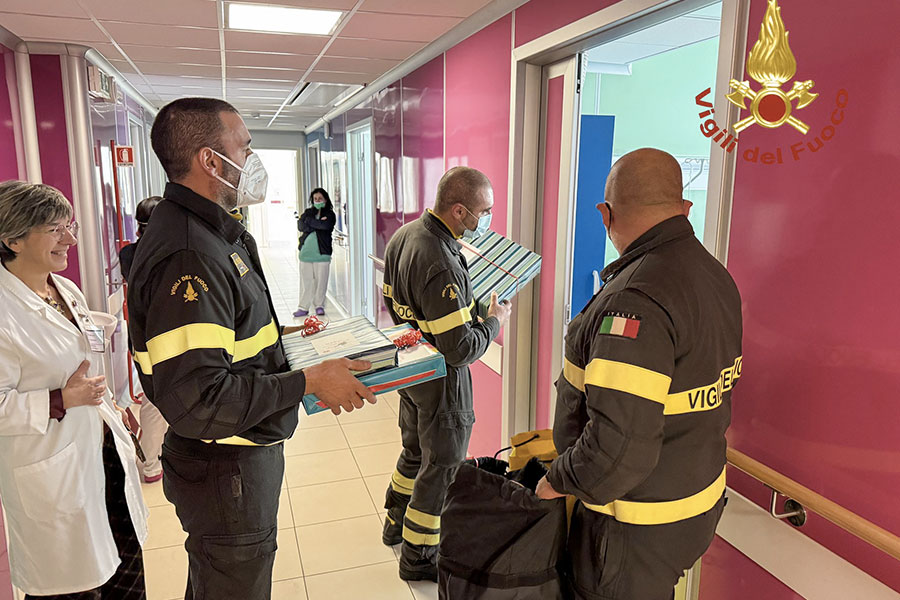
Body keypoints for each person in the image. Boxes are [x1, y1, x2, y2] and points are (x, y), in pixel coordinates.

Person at [127, 97, 376, 600]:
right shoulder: (189, 254)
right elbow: (202, 400)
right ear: (211, 162)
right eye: (244, 147)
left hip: (234, 461)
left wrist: (287, 342)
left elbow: (226, 340)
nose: (252, 159)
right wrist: (309, 380)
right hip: (227, 471)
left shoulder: (212, 233)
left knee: (218, 582)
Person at [535, 148, 743, 599]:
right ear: (685, 208)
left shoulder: (635, 301)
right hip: (692, 505)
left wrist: (556, 481)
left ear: (605, 214)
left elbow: (618, 448)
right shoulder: (714, 276)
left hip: (633, 525)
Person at [0, 180, 149, 599]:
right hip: (51, 470)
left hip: (103, 457)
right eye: (54, 229)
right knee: (73, 588)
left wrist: (112, 407)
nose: (70, 239)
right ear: (12, 238)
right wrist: (60, 400)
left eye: (71, 226)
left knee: (125, 577)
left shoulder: (63, 289)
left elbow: (84, 361)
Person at [381, 166, 512, 581]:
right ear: (459, 211)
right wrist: (494, 321)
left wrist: (463, 312)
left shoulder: (406, 236)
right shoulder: (439, 258)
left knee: (415, 452)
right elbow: (459, 350)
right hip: (440, 380)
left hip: (411, 367)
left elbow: (402, 307)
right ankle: (418, 555)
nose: (487, 220)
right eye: (484, 212)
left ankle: (395, 523)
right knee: (442, 465)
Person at [118, 196, 167, 484]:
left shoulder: (128, 254)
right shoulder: (166, 254)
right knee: (158, 402)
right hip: (164, 338)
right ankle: (153, 460)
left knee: (151, 400)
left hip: (139, 338)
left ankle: (152, 463)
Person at [294, 187, 335, 318]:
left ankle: (319, 306)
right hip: (306, 253)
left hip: (322, 254)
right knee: (306, 282)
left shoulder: (330, 214)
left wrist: (311, 223)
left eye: (320, 198)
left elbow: (325, 226)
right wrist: (317, 223)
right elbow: (300, 226)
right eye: (315, 199)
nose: (317, 201)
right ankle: (303, 307)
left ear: (326, 200)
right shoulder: (308, 212)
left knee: (321, 281)